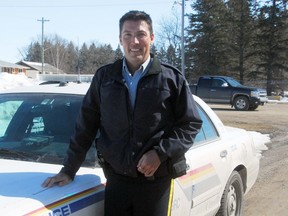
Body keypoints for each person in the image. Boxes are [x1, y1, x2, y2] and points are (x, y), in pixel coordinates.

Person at [42, 10, 202, 216]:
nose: (134, 41)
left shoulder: (171, 79)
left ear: (151, 38)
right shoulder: (105, 77)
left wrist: (160, 153)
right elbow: (86, 126)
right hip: (117, 180)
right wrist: (69, 170)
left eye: (141, 34)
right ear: (120, 39)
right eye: (128, 34)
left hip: (156, 182)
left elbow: (190, 124)